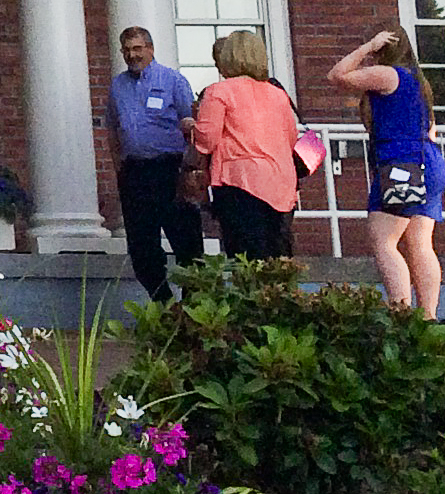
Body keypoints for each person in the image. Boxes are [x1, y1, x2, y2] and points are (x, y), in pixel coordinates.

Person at [328, 24, 445, 317]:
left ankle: (401, 314)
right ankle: (429, 318)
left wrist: (367, 47)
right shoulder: (418, 81)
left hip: (400, 165)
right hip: (428, 162)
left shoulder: (388, 74)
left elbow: (337, 75)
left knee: (384, 241)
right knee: (420, 243)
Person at [102, 24, 201, 302]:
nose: (132, 55)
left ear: (151, 49)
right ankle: (165, 306)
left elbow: (193, 128)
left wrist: (191, 170)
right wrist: (118, 166)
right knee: (142, 247)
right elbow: (111, 128)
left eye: (137, 48)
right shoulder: (118, 86)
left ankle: (194, 309)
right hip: (135, 173)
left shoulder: (173, 81)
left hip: (170, 170)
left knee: (186, 243)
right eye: (127, 50)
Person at [189, 27, 300, 259]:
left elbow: (206, 141)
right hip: (281, 182)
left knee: (245, 258)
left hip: (239, 182)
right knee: (276, 255)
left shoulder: (218, 92)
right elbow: (290, 139)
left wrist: (189, 127)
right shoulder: (278, 94)